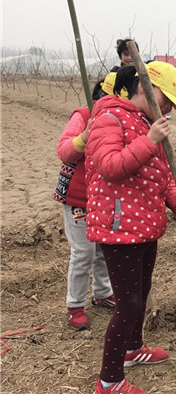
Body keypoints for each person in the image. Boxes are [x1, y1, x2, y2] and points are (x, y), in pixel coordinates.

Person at [86, 61, 176, 394]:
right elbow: (109, 166)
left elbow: (164, 179)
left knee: (142, 293)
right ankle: (109, 380)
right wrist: (150, 139)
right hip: (119, 228)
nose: (168, 109)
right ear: (143, 88)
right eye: (166, 100)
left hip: (146, 226)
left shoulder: (147, 124)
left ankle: (133, 350)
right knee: (129, 304)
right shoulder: (108, 118)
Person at [54, 94, 115, 331]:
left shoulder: (120, 120)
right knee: (84, 252)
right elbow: (65, 151)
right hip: (79, 198)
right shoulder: (83, 116)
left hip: (102, 198)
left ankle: (102, 293)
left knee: (102, 249)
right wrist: (86, 135)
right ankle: (75, 306)